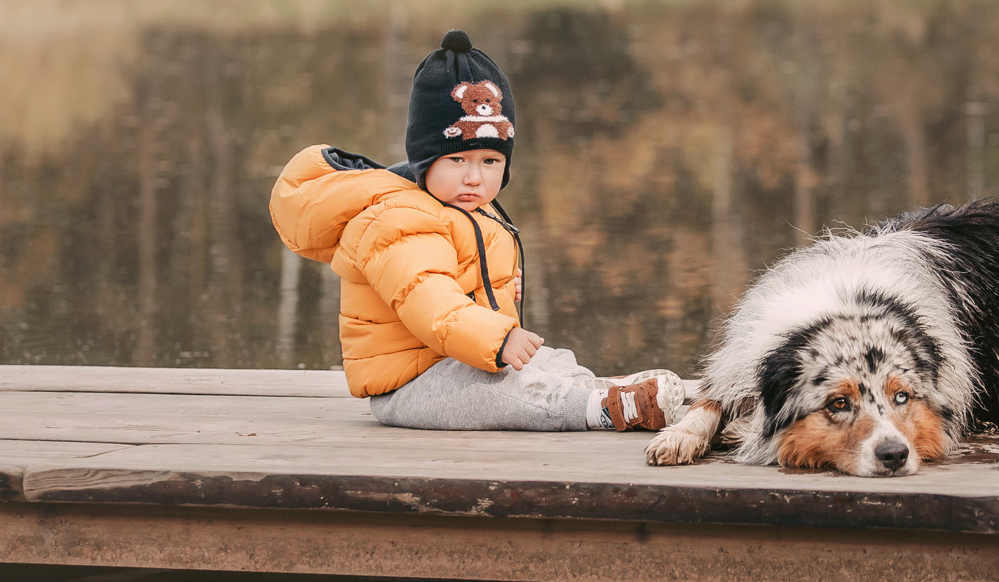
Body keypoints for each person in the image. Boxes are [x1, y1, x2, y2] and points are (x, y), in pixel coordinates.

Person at [270, 29, 692, 432]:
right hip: (411, 384)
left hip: (461, 356)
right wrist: (500, 336)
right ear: (424, 159)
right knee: (504, 392)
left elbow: (465, 287)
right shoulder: (396, 219)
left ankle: (599, 389)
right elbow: (435, 306)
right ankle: (596, 408)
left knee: (550, 358)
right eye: (458, 161)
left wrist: (501, 295)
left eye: (490, 162)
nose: (474, 178)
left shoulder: (471, 209)